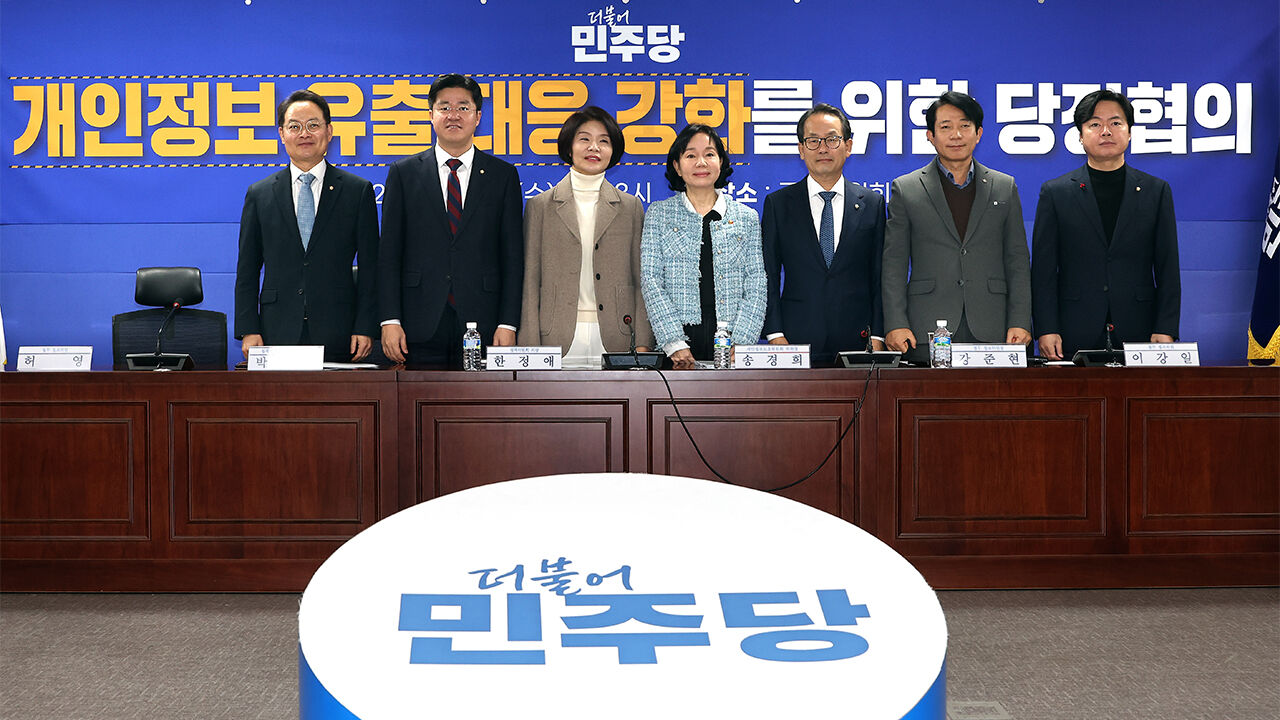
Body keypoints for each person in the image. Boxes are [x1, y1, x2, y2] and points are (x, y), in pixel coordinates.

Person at [377, 74, 522, 367]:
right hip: (418, 321)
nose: (453, 115)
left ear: (478, 117)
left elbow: (512, 256)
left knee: (480, 398)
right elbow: (389, 253)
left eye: (463, 107)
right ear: (430, 115)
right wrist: (390, 320)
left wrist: (508, 323)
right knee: (417, 395)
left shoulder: (502, 176)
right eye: (444, 107)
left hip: (484, 320)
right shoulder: (404, 173)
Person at [882, 91, 1032, 364]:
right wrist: (895, 323)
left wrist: (1020, 320)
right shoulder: (907, 189)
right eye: (946, 127)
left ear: (978, 133)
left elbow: (1017, 260)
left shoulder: (1004, 186)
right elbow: (894, 264)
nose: (956, 135)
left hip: (993, 324)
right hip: (926, 326)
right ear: (930, 135)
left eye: (965, 125)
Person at [1032, 89, 1180, 359]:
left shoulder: (1156, 191)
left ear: (1130, 132)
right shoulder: (1055, 193)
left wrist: (1165, 327)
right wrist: (1047, 328)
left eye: (1115, 123)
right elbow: (1043, 271)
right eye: (1094, 124)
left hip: (1140, 326)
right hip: (1073, 327)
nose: (1106, 131)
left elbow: (1167, 266)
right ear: (1080, 135)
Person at [234, 89, 379, 362]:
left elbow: (372, 268)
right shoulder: (260, 194)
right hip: (275, 328)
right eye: (294, 127)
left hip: (339, 328)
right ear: (281, 133)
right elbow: (247, 270)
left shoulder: (357, 191)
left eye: (313, 125)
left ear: (329, 131)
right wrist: (248, 328)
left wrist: (365, 326)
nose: (304, 134)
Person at [518, 107, 652, 366]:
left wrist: (643, 342)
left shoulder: (631, 207)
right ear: (569, 148)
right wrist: (530, 345)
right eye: (584, 139)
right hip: (555, 334)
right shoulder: (540, 206)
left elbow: (641, 280)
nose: (594, 148)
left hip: (618, 335)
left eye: (604, 141)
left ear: (613, 151)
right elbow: (530, 281)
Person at [762, 103, 885, 364]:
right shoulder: (778, 204)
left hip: (859, 340)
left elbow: (879, 275)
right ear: (801, 149)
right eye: (813, 141)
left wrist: (878, 334)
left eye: (831, 139)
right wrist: (775, 333)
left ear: (848, 146)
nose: (822, 148)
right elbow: (768, 275)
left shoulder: (872, 204)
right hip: (795, 339)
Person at [640, 124, 766, 369]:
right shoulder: (659, 214)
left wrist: (742, 341)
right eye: (690, 155)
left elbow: (756, 283)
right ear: (677, 166)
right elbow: (651, 279)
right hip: (678, 340)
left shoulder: (746, 217)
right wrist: (673, 342)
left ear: (721, 162)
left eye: (709, 154)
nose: (701, 162)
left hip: (730, 338)